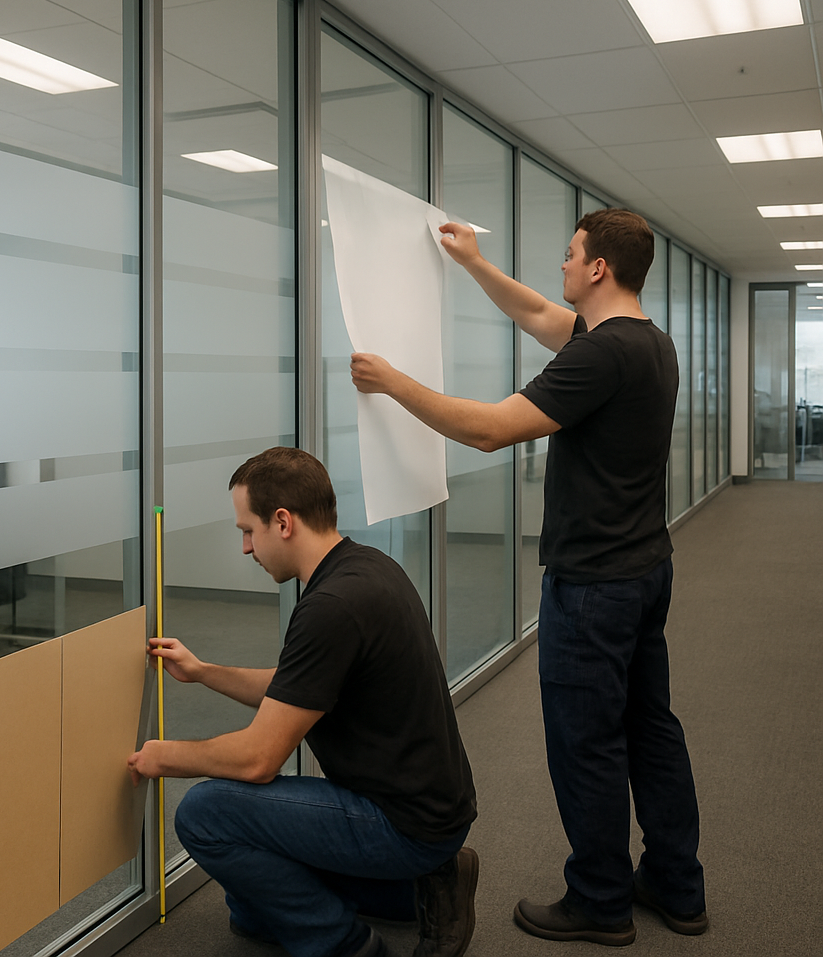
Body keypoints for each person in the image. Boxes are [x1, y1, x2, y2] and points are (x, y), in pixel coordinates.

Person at [350, 210, 706, 946]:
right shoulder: (650, 344)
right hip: (644, 568)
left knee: (587, 744)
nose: (564, 265)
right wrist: (476, 265)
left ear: (600, 268)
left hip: (594, 584)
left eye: (571, 254)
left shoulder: (601, 356)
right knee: (651, 730)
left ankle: (601, 901)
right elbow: (541, 314)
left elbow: (488, 429)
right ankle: (676, 885)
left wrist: (392, 382)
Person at [127, 446, 478, 957]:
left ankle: (348, 944)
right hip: (432, 811)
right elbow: (299, 686)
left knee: (205, 813)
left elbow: (257, 760)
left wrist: (165, 756)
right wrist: (203, 673)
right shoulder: (364, 567)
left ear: (283, 522)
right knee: (249, 908)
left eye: (249, 530)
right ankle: (419, 888)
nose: (247, 547)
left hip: (402, 823)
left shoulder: (331, 606)